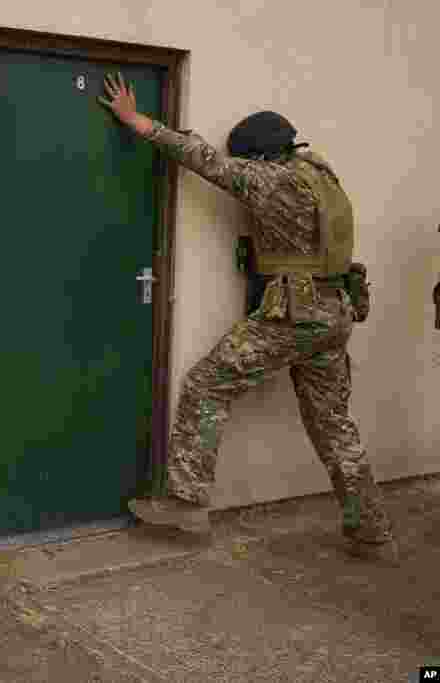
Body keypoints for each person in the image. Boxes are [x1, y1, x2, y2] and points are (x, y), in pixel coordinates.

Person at [98, 73, 397, 564]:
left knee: (205, 384)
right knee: (334, 426)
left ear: (258, 157)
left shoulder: (271, 180)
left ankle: (187, 503)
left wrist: (137, 122)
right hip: (334, 314)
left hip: (296, 314)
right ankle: (373, 532)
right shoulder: (322, 175)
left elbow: (202, 158)